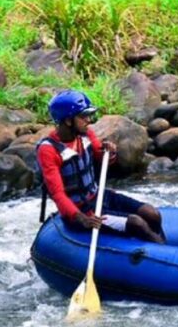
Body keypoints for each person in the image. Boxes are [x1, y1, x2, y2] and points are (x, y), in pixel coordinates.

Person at [37, 90, 165, 244]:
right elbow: (58, 195)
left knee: (152, 214)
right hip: (80, 210)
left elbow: (104, 158)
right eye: (84, 116)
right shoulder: (48, 150)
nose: (89, 120)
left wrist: (109, 151)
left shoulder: (85, 134)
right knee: (136, 223)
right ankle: (167, 256)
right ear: (68, 121)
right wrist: (81, 218)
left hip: (98, 196)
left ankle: (164, 246)